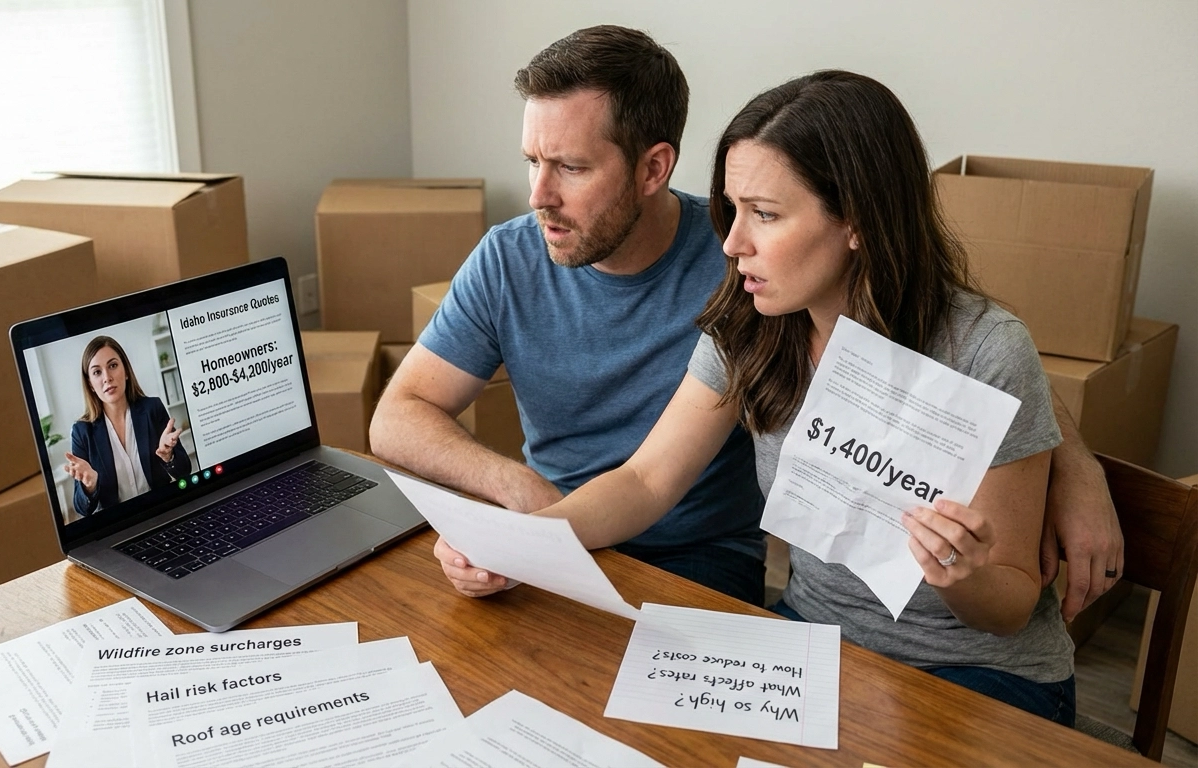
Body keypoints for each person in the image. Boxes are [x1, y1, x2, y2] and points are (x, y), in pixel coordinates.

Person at [372, 24, 1122, 617]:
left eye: (570, 166)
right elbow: (639, 479)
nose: (538, 194)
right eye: (532, 161)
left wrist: (1073, 462)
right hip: (622, 548)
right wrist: (519, 525)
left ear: (653, 167)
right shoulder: (752, 302)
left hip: (717, 561)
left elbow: (968, 346)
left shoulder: (758, 277)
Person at [446, 70, 1080, 723]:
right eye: (734, 209)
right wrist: (515, 542)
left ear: (857, 221)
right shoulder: (751, 322)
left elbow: (1009, 608)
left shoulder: (985, 349)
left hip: (978, 671)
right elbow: (645, 480)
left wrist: (962, 574)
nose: (732, 243)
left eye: (766, 215)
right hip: (815, 642)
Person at [65, 335, 190, 517]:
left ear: (126, 371)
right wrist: (89, 486)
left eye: (113, 366)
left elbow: (185, 471)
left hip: (162, 512)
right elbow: (82, 508)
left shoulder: (152, 408)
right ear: (90, 384)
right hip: (119, 524)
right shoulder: (81, 431)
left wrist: (169, 456)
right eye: (97, 372)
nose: (107, 378)